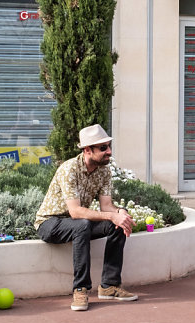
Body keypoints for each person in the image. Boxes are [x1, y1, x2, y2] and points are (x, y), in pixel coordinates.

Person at [35, 124, 137, 311]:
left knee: (118, 223)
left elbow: (107, 205)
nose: (109, 152)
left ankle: (109, 286)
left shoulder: (104, 171)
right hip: (50, 223)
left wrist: (120, 213)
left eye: (109, 146)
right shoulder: (69, 169)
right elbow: (75, 212)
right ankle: (80, 289)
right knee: (81, 224)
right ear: (88, 150)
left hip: (78, 224)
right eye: (103, 148)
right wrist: (111, 216)